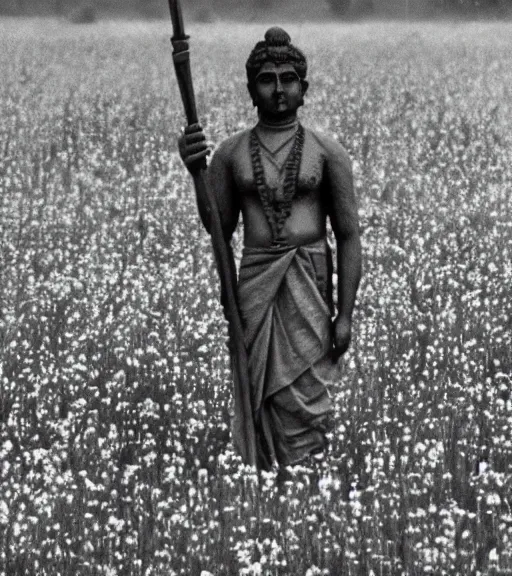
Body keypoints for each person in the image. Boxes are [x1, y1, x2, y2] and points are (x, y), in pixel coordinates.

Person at [178, 27, 362, 471]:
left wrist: (346, 313)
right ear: (251, 89)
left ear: (304, 88)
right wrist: (195, 173)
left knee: (309, 394)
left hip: (311, 283)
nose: (278, 89)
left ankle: (307, 487)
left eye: (287, 79)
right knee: (260, 389)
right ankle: (265, 483)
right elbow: (218, 229)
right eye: (266, 79)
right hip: (257, 283)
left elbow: (349, 235)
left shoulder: (326, 152)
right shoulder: (230, 154)